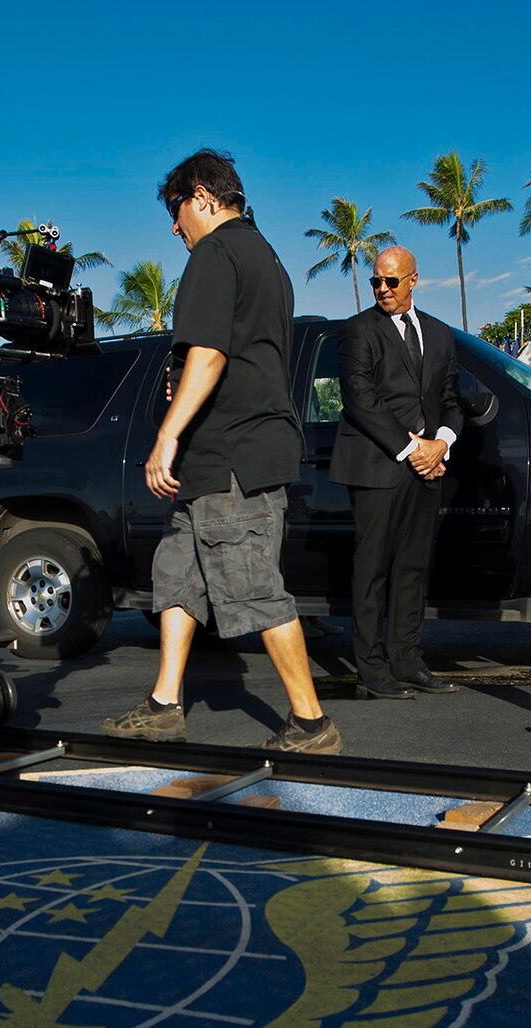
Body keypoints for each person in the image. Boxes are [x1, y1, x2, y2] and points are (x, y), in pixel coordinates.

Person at [101, 150, 340, 754]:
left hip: (234, 453)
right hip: (217, 458)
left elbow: (209, 354)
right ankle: (164, 704)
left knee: (253, 585)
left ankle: (311, 722)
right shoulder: (266, 258)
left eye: (176, 210)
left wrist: (167, 432)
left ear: (202, 196)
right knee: (178, 574)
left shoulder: (216, 251)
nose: (174, 227)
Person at [329, 244, 463, 699]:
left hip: (426, 468)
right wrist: (414, 448)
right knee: (372, 571)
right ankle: (371, 668)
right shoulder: (358, 332)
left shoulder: (441, 335)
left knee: (412, 568)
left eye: (391, 281)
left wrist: (442, 441)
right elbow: (361, 400)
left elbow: (449, 399)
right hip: (378, 464)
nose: (382, 289)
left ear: (413, 280)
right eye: (376, 282)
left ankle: (408, 661)